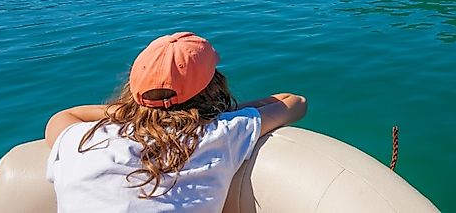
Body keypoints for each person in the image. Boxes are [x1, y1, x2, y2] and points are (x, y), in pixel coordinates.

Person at [44, 32, 307, 212]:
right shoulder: (222, 133)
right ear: (213, 87)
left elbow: (64, 116)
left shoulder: (83, 141)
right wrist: (215, 116)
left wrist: (135, 112)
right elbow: (294, 102)